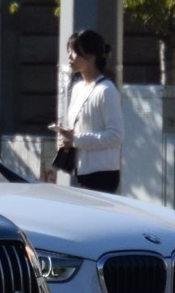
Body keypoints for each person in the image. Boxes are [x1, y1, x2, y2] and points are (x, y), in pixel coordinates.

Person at [52, 29, 123, 192]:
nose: (69, 57)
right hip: (78, 169)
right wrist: (66, 138)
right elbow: (77, 128)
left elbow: (116, 135)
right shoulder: (77, 88)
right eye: (68, 51)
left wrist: (76, 139)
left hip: (102, 173)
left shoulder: (106, 90)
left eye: (74, 52)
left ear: (91, 57)